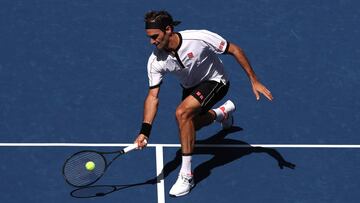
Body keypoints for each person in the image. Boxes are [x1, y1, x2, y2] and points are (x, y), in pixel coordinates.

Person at [134, 10, 273, 197]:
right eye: (149, 38)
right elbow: (152, 97)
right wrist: (145, 131)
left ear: (168, 30)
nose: (152, 42)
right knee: (191, 124)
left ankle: (186, 175)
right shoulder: (155, 60)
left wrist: (253, 79)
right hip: (191, 88)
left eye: (155, 37)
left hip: (217, 81)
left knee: (182, 113)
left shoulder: (198, 38)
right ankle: (222, 113)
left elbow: (235, 50)